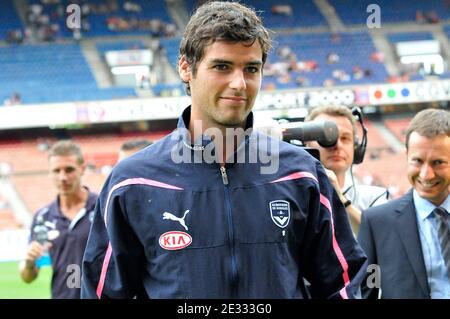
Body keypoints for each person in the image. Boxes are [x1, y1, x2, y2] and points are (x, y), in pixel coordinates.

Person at [81, 1, 367, 299]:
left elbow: (344, 281)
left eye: (251, 69)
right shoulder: (132, 183)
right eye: (222, 66)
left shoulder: (301, 173)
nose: (239, 83)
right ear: (185, 68)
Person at [358, 108, 450, 299]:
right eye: (417, 161)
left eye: (438, 162)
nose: (426, 174)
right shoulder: (377, 223)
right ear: (407, 155)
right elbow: (365, 292)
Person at [19, 140, 98, 299]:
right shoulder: (43, 216)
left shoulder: (103, 208)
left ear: (82, 169)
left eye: (69, 170)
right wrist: (29, 262)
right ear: (50, 173)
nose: (63, 177)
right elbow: (29, 277)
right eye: (56, 171)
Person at [304, 105, 389, 235]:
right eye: (326, 137)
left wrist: (341, 200)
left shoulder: (374, 197)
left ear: (356, 148)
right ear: (306, 144)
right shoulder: (291, 195)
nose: (337, 145)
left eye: (345, 138)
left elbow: (383, 238)